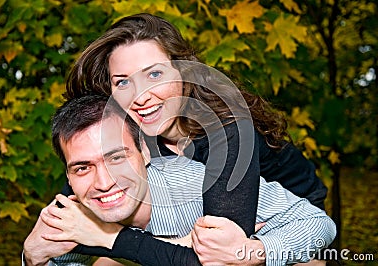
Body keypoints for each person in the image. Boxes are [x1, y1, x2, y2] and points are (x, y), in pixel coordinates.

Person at [64, 13, 328, 238]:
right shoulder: (129, 133)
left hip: (299, 212)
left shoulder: (227, 129)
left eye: (154, 74)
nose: (141, 97)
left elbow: (218, 244)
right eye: (122, 82)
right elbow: (69, 208)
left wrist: (107, 241)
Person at [23, 95, 336, 266]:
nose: (104, 182)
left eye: (117, 158)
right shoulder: (76, 213)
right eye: (82, 167)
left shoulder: (195, 183)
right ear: (67, 174)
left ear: (144, 152)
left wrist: (256, 252)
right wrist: (32, 256)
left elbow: (318, 224)